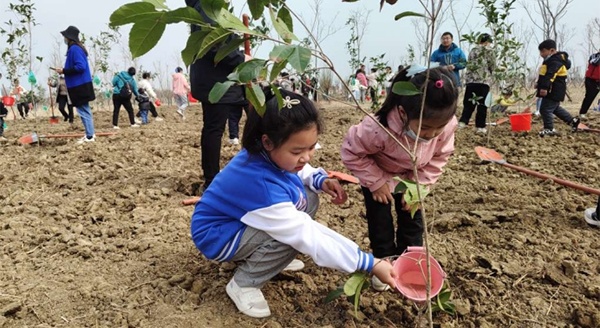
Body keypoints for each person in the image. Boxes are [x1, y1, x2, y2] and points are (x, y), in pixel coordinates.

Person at [190, 89, 395, 318]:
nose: (307, 157)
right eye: (298, 151)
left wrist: (319, 179)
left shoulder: (267, 154)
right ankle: (244, 283)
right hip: (217, 235)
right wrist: (368, 262)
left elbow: (296, 168)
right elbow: (305, 234)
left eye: (311, 147)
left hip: (236, 221)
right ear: (267, 142)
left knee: (309, 197)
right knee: (293, 237)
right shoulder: (261, 186)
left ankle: (268, 260)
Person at [341, 66, 458, 291]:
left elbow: (440, 157)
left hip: (413, 176)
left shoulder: (445, 126)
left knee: (412, 219)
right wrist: (376, 183)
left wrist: (418, 186)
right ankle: (384, 261)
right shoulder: (377, 128)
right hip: (377, 173)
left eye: (438, 128)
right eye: (425, 128)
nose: (432, 134)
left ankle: (412, 263)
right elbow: (351, 151)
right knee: (380, 219)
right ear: (403, 113)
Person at [187, 0, 248, 190]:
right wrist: (242, 59)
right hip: (217, 80)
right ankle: (211, 179)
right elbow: (213, 46)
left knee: (214, 128)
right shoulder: (207, 7)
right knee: (214, 128)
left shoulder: (207, 7)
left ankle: (213, 176)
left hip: (217, 79)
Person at [55, 26, 96, 144]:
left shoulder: (74, 49)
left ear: (69, 37)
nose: (64, 39)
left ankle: (89, 136)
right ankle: (89, 134)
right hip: (81, 84)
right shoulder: (77, 48)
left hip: (79, 86)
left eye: (65, 37)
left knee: (83, 111)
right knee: (84, 110)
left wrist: (64, 71)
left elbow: (80, 66)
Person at [535, 39, 579, 137]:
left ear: (551, 51)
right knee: (555, 108)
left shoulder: (555, 61)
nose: (541, 54)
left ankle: (549, 129)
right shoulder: (550, 61)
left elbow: (550, 75)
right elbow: (544, 74)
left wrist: (544, 88)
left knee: (545, 109)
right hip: (554, 90)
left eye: (543, 51)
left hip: (553, 90)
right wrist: (539, 84)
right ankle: (572, 121)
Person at [459, 33, 495, 134]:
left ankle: (463, 122)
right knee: (482, 104)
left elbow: (469, 62)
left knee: (468, 103)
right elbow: (492, 66)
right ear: (488, 42)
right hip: (484, 81)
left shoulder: (473, 50)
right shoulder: (489, 51)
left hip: (471, 81)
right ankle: (480, 126)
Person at [578, 49, 600, 119]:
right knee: (589, 97)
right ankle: (582, 113)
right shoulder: (594, 56)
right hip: (591, 79)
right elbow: (594, 62)